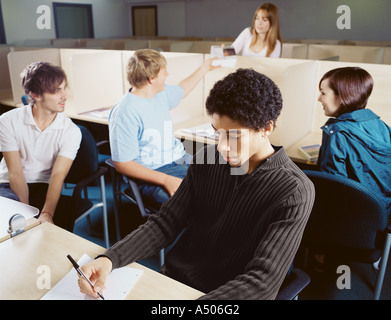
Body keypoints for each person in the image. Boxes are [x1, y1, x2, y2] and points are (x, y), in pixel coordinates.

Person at [78, 68, 315, 300]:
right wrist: (110, 259)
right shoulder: (206, 160)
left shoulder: (294, 191)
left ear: (267, 128)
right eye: (217, 133)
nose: (221, 147)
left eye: (233, 136)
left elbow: (262, 283)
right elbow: (164, 223)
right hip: (177, 283)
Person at [108, 49, 218, 206]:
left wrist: (204, 68)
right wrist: (166, 180)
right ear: (151, 78)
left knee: (223, 184)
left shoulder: (160, 93)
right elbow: (123, 164)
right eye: (164, 71)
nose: (168, 74)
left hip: (180, 160)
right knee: (201, 203)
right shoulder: (125, 111)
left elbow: (183, 89)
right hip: (155, 172)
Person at [0, 62, 81, 227]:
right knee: (12, 223)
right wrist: (26, 213)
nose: (65, 96)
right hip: (9, 183)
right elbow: (15, 172)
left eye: (64, 88)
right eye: (56, 91)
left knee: (55, 228)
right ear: (35, 94)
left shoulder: (71, 131)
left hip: (44, 184)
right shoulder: (7, 121)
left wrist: (47, 213)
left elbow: (57, 175)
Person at [317, 66, 391, 216]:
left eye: (323, 93)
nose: (319, 98)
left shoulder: (336, 132)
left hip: (353, 217)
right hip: (383, 215)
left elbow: (332, 188)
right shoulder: (383, 126)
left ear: (343, 96)